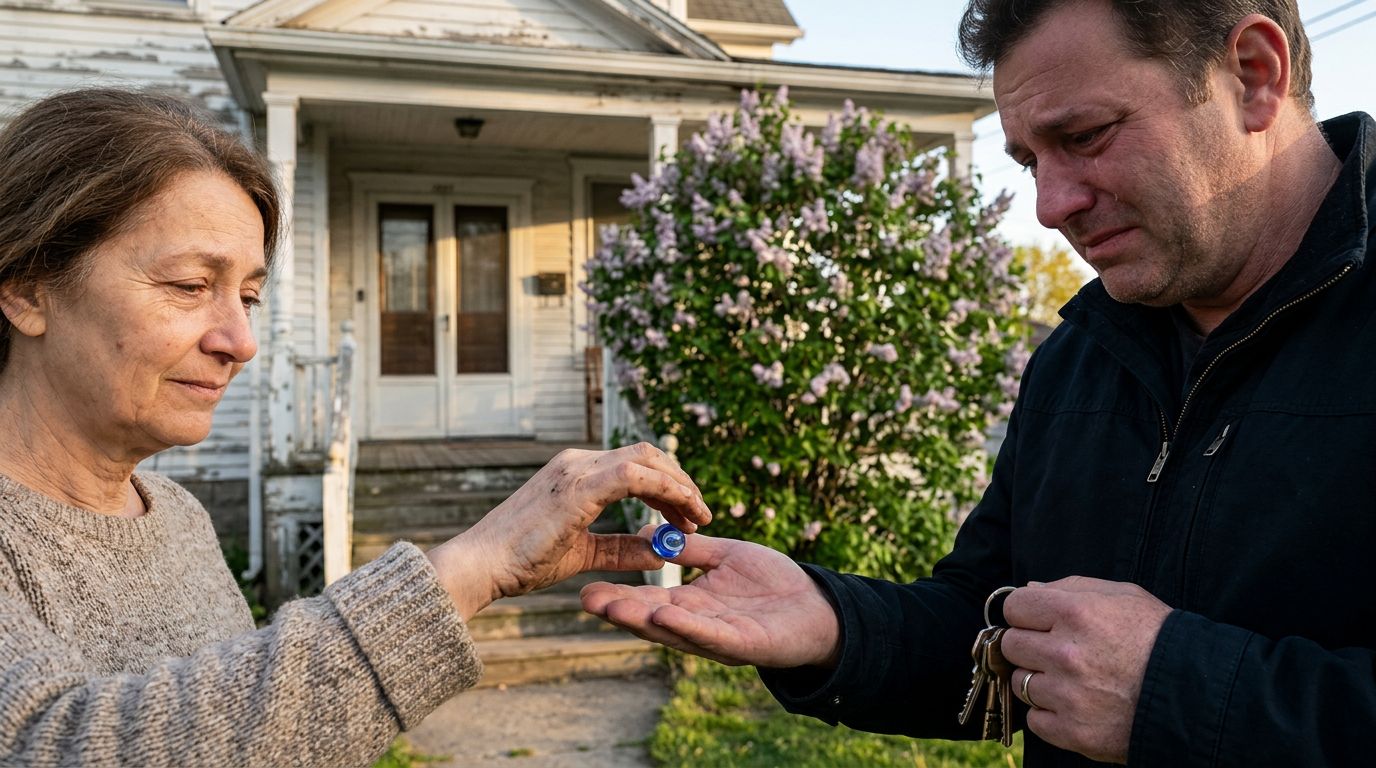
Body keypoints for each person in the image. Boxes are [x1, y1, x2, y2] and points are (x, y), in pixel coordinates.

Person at [582, 1, 1375, 765]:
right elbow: (994, 623)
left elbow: (1143, 684)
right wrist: (831, 624)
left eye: (1087, 136)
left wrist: (1183, 695)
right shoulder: (1079, 358)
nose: (1050, 205)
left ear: (1254, 74)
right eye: (1030, 160)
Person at [0, 87, 711, 767]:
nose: (240, 340)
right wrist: (471, 567)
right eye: (190, 285)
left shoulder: (177, 517)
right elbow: (53, 746)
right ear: (28, 286)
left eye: (248, 296)